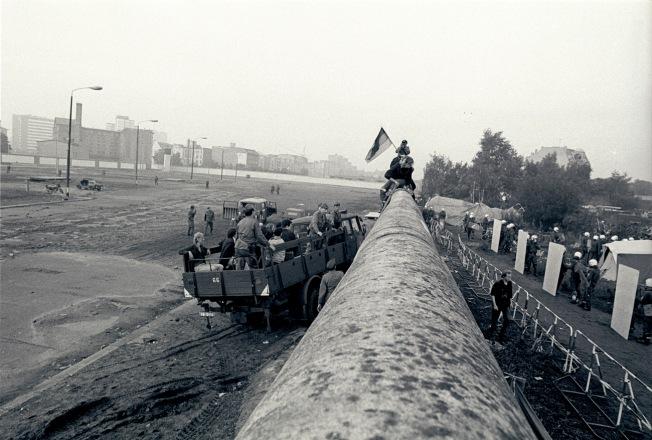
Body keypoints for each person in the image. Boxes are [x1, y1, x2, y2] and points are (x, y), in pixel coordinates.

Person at [487, 271, 513, 343]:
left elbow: (510, 294)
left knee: (507, 320)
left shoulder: (510, 283)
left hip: (506, 305)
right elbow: (492, 295)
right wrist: (494, 305)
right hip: (498, 304)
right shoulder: (497, 283)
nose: (510, 278)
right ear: (504, 276)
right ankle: (491, 336)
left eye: (510, 277)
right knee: (494, 321)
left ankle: (501, 336)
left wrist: (511, 302)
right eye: (508, 277)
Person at [638, 279, 652, 345]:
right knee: (650, 326)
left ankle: (645, 339)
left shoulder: (648, 293)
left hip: (648, 310)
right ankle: (647, 339)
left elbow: (642, 301)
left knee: (646, 324)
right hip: (650, 310)